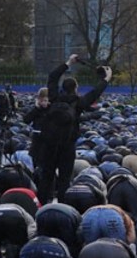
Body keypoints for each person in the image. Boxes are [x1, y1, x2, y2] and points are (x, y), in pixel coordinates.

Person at [33, 55, 110, 204]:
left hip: (49, 144)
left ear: (62, 88)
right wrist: (106, 79)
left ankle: (42, 205)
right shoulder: (79, 102)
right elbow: (95, 93)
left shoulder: (54, 98)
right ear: (75, 89)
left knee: (47, 176)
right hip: (67, 145)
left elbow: (53, 76)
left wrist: (68, 63)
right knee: (64, 178)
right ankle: (63, 206)